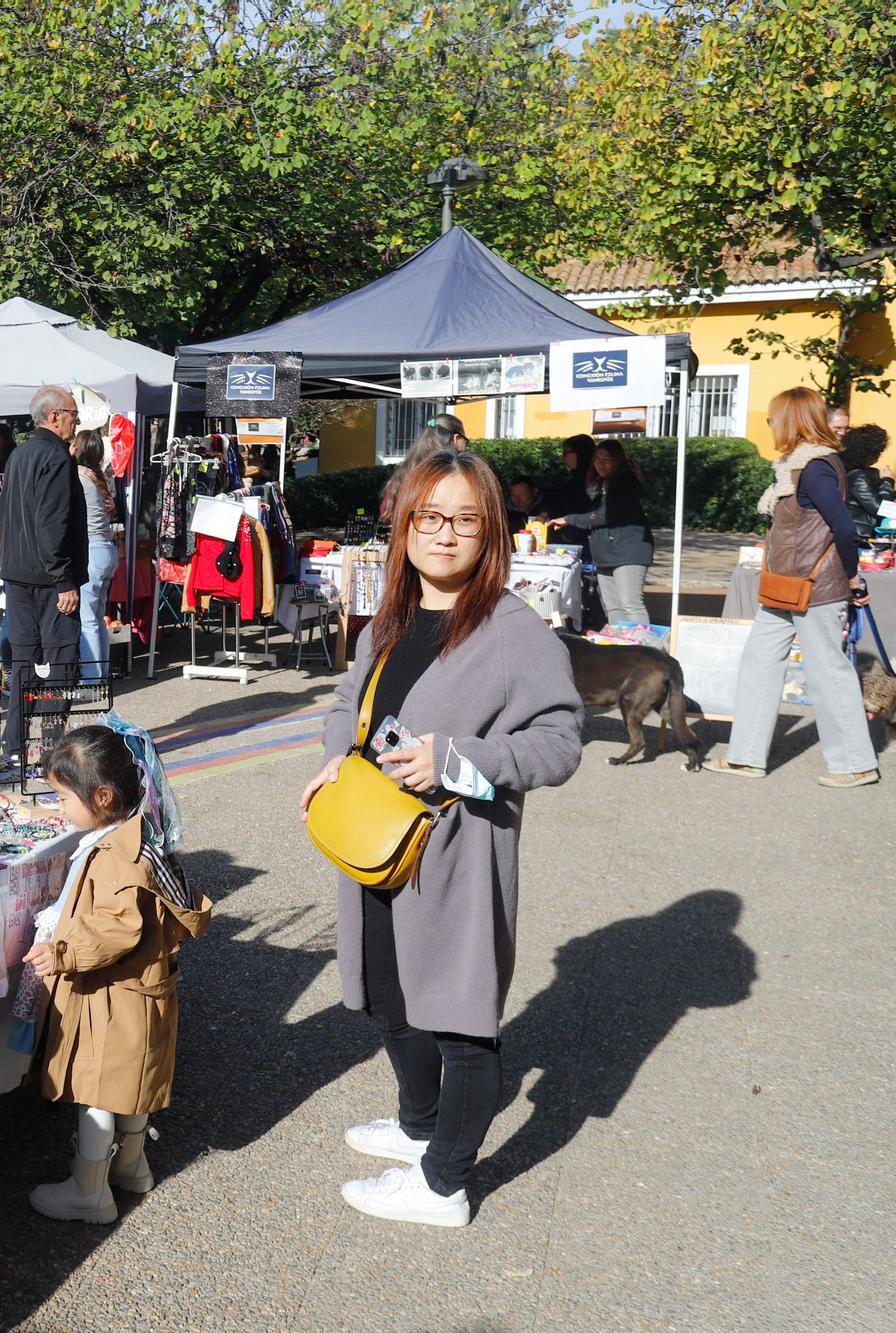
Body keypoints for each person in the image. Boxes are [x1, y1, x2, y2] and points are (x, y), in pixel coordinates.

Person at [300, 448, 583, 1227]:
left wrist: (457, 761)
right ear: (406, 524)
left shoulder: (513, 631)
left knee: (460, 1017)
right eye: (430, 516)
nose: (445, 534)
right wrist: (335, 759)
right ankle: (421, 1122)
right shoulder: (391, 615)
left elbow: (561, 741)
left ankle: (443, 1182)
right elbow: (344, 703)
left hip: (457, 854)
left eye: (465, 519)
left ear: (490, 530)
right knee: (389, 997)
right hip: (377, 840)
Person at [21, 726, 211, 1223]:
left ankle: (90, 1191)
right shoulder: (137, 834)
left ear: (102, 797)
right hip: (142, 989)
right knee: (131, 1085)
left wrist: (61, 951)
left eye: (62, 798)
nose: (59, 808)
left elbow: (116, 928)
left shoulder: (114, 858)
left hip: (112, 996)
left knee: (97, 1092)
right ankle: (131, 1166)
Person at [709, 387, 879, 787]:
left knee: (828, 672)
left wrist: (852, 577)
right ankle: (746, 757)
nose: (770, 425)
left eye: (774, 418)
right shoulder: (795, 466)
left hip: (815, 587)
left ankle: (855, 764)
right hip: (785, 585)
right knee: (759, 664)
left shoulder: (815, 466)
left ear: (792, 420)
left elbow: (843, 527)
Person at [0, 387, 86, 761]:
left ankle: (14, 745)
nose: (75, 422)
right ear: (54, 416)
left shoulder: (19, 454)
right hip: (48, 580)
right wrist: (64, 580)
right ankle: (52, 746)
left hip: (19, 575)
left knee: (23, 662)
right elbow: (52, 524)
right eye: (73, 415)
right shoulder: (55, 457)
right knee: (61, 661)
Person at [549, 440, 654, 626]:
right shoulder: (599, 486)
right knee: (613, 606)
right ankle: (619, 649)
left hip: (628, 553)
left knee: (631, 604)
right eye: (597, 459)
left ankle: (645, 650)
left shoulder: (625, 484)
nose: (600, 464)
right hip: (606, 554)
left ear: (618, 461)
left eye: (607, 459)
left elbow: (603, 516)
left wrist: (569, 519)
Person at [70, 429, 118, 681]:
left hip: (92, 550)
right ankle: (100, 672)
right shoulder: (99, 477)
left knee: (88, 618)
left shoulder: (79, 476)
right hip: (107, 549)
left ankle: (91, 678)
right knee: (97, 617)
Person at [378, 415, 469, 521]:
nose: (466, 447)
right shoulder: (452, 475)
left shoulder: (403, 473)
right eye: (466, 441)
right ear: (457, 439)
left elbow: (385, 511)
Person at [839, 425, 894, 543]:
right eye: (878, 452)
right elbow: (882, 509)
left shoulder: (853, 473)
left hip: (858, 535)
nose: (879, 456)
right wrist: (887, 481)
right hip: (861, 538)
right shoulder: (859, 477)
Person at [537, 434, 599, 536]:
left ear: (581, 453)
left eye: (567, 452)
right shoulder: (574, 477)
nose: (563, 456)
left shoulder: (594, 479)